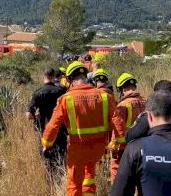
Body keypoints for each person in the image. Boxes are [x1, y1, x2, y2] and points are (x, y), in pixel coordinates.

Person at [41, 61, 125, 196]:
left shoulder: (66, 99)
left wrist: (47, 143)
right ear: (85, 77)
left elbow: (53, 125)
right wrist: (119, 142)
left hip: (78, 147)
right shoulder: (105, 96)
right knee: (89, 176)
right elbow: (117, 121)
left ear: (69, 80)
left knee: (74, 183)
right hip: (98, 148)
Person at [26, 67, 67, 174]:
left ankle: (49, 176)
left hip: (44, 129)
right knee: (60, 155)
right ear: (54, 77)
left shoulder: (37, 93)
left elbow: (28, 115)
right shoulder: (62, 90)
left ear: (43, 77)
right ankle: (60, 175)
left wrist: (36, 116)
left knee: (46, 157)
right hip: (60, 129)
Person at [109, 73, 146, 182]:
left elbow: (118, 127)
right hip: (143, 145)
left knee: (116, 171)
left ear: (121, 89)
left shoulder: (122, 105)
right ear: (134, 86)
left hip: (126, 146)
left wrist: (114, 147)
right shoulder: (146, 102)